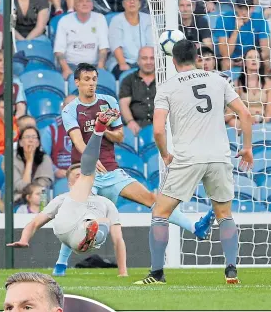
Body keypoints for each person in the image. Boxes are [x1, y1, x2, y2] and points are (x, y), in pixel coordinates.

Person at [55, 63, 214, 277]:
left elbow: (120, 136)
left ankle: (195, 227)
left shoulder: (108, 102)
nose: (91, 83)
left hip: (111, 171)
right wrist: (91, 158)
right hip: (87, 174)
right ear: (77, 82)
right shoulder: (70, 109)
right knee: (78, 217)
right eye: (86, 79)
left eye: (94, 79)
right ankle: (61, 265)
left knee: (150, 198)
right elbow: (78, 142)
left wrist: (103, 129)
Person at [134, 39, 254, 285]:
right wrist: (247, 148)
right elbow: (245, 114)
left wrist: (165, 153)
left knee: (160, 212)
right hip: (219, 156)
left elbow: (158, 130)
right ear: (197, 57)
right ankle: (231, 269)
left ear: (174, 60)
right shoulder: (218, 80)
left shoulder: (167, 87)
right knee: (224, 215)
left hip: (188, 157)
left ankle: (157, 273)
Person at [7, 116, 129, 277]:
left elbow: (118, 239)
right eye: (76, 177)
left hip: (82, 241)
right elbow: (35, 222)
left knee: (103, 222)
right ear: (70, 184)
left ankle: (86, 236)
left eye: (81, 175)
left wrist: (123, 272)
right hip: (66, 228)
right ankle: (98, 130)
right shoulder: (63, 198)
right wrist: (24, 238)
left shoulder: (106, 204)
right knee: (89, 175)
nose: (80, 178)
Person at [53, 0, 109, 79]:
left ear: (92, 5)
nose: (84, 4)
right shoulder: (65, 20)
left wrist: (100, 66)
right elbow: (59, 50)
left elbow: (103, 47)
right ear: (75, 5)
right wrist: (66, 69)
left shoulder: (100, 19)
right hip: (71, 66)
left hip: (93, 66)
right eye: (81, 1)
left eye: (88, 1)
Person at [214, 0, 270, 72]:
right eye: (241, 8)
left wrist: (247, 59)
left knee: (267, 61)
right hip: (232, 59)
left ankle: (264, 84)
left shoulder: (260, 20)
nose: (244, 12)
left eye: (247, 8)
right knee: (226, 63)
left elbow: (266, 51)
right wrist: (236, 30)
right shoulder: (223, 19)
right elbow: (225, 54)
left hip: (252, 57)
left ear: (252, 8)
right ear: (235, 7)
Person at [106, 0, 154, 78]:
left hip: (145, 60)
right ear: (123, 4)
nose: (132, 2)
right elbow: (115, 45)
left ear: (140, 4)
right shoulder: (116, 20)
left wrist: (147, 62)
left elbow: (151, 44)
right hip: (122, 61)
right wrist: (123, 63)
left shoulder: (148, 19)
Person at [232, 48, 271, 126]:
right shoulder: (237, 83)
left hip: (264, 122)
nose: (254, 60)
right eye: (250, 57)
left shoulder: (269, 83)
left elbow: (269, 110)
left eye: (257, 57)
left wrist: (262, 121)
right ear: (244, 63)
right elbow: (236, 110)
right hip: (243, 122)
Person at [119, 47, 156, 134]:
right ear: (138, 61)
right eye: (144, 58)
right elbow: (124, 104)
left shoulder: (163, 80)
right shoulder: (128, 80)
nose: (148, 62)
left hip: (160, 126)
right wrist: (130, 121)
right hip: (136, 126)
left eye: (152, 58)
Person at [40, 95, 77, 180]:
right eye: (68, 105)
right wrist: (55, 170)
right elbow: (43, 155)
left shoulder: (88, 129)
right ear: (62, 108)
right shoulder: (51, 129)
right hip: (58, 177)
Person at [11, 126, 54, 193]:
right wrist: (29, 161)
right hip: (18, 198)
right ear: (21, 143)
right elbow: (20, 187)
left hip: (39, 198)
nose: (31, 140)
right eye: (27, 137)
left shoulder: (45, 159)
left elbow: (44, 184)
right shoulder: (12, 160)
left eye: (34, 137)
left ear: (38, 143)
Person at [0, 50, 27, 118]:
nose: (3, 63)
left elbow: (21, 108)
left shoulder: (15, 80)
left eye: (6, 60)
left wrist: (13, 123)